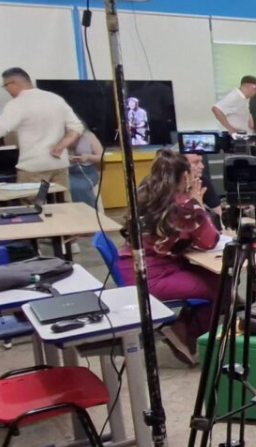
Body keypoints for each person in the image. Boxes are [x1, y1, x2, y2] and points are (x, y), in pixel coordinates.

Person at [116, 149, 221, 363]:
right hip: (153, 276)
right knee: (221, 286)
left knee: (209, 274)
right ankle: (189, 334)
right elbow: (210, 241)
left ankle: (183, 328)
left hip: (132, 266)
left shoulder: (145, 192)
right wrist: (198, 204)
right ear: (185, 176)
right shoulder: (184, 204)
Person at [0, 67, 84, 201]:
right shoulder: (55, 99)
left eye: (5, 86)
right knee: (64, 207)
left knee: (32, 208)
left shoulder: (17, 103)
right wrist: (61, 146)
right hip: (59, 164)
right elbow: (77, 126)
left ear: (13, 84)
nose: (7, 90)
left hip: (33, 167)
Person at [67, 127, 103, 208]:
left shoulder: (89, 136)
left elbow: (102, 157)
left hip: (88, 171)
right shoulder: (60, 137)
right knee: (67, 185)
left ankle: (89, 213)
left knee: (79, 187)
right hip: (68, 172)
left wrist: (88, 157)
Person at [183, 151, 222, 217]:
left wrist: (199, 203)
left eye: (201, 161)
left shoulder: (203, 181)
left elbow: (218, 216)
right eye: (196, 162)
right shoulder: (168, 188)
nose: (202, 166)